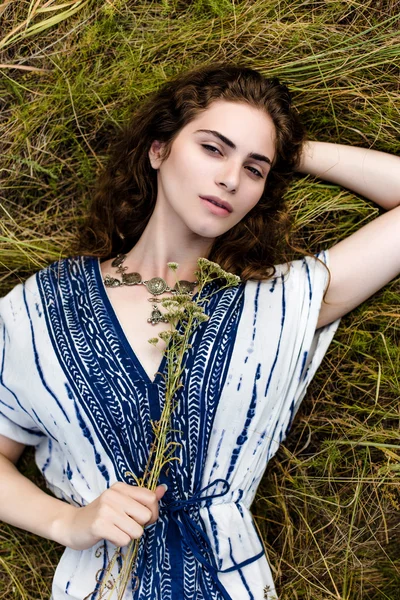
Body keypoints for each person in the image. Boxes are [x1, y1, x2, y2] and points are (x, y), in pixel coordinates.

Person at [0, 64, 399, 600]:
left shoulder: (272, 305)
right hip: (98, 585)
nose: (231, 178)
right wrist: (67, 523)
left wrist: (292, 151)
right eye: (214, 148)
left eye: (255, 169)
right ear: (159, 148)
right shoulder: (42, 308)